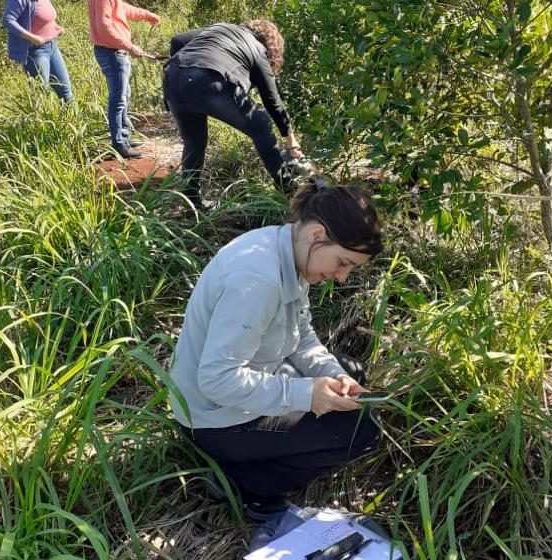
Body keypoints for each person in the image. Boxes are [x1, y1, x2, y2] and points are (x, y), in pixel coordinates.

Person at [169, 178, 384, 519]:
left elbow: (302, 337)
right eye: (343, 263)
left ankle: (261, 453)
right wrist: (305, 394)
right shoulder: (258, 280)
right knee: (363, 432)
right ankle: (245, 483)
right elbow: (216, 379)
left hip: (252, 375)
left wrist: (332, 375)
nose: (342, 277)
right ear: (317, 235)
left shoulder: (286, 249)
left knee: (350, 374)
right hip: (211, 416)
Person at [163, 19, 303, 205]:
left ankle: (191, 204)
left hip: (172, 78)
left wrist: (184, 70)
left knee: (194, 143)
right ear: (270, 45)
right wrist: (289, 137)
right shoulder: (258, 49)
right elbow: (272, 100)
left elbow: (178, 41)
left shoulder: (220, 28)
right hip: (209, 81)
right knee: (262, 125)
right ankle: (290, 193)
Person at [87, 0, 160, 159]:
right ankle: (119, 143)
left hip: (114, 51)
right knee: (118, 99)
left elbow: (123, 8)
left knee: (124, 96)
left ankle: (123, 136)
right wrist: (129, 46)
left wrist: (147, 15)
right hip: (112, 53)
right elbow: (104, 26)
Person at [2, 0, 73, 104]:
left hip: (52, 48)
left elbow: (44, 18)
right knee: (40, 92)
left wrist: (55, 27)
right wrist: (32, 38)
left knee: (65, 90)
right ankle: (40, 119)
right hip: (36, 52)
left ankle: (75, 118)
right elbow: (8, 20)